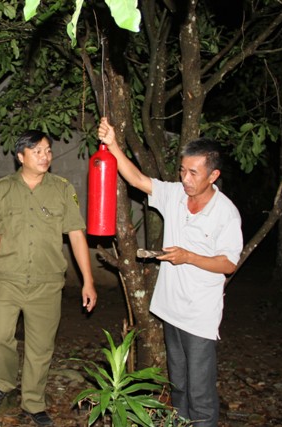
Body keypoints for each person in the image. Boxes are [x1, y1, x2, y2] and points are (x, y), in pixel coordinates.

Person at [98, 117, 243, 426]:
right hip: (170, 309)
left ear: (213, 175)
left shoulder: (225, 213)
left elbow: (229, 263)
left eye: (193, 173)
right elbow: (137, 179)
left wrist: (189, 256)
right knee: (178, 386)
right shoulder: (176, 194)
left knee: (200, 392)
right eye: (182, 170)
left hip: (199, 316)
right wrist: (113, 144)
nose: (185, 179)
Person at [0, 130, 97, 427]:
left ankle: (33, 401)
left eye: (48, 151)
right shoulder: (2, 189)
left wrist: (88, 280)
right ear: (21, 156)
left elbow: (76, 235)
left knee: (40, 347)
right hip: (7, 280)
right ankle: (4, 382)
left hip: (47, 283)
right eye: (37, 151)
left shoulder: (62, 188)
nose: (45, 156)